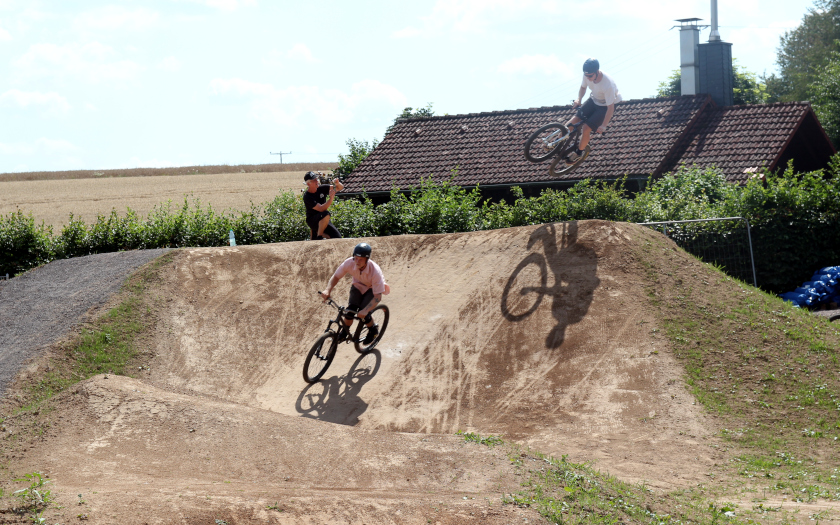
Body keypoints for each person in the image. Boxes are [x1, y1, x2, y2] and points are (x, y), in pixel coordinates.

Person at [319, 242, 389, 345]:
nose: (357, 261)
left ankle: (373, 330)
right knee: (350, 311)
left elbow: (378, 297)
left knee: (364, 313)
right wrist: (327, 290)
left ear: (367, 259)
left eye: (361, 259)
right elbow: (336, 276)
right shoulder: (349, 263)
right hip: (357, 286)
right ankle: (344, 333)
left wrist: (365, 310)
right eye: (355, 258)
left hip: (372, 289)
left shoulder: (375, 271)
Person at [564, 58, 621, 165]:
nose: (588, 78)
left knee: (586, 128)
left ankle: (579, 153)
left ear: (597, 72)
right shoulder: (587, 75)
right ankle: (557, 140)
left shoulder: (608, 84)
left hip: (605, 106)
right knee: (575, 119)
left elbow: (610, 108)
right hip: (593, 100)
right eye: (586, 75)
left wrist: (604, 125)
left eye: (590, 76)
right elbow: (582, 87)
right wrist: (579, 99)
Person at [303, 171, 344, 240]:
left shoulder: (322, 188)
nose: (317, 181)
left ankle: (316, 234)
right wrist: (331, 199)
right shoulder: (307, 196)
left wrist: (337, 183)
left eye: (317, 179)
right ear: (308, 184)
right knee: (325, 213)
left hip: (324, 220)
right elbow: (321, 209)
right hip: (313, 221)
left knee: (338, 238)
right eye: (314, 180)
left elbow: (339, 188)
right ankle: (319, 237)